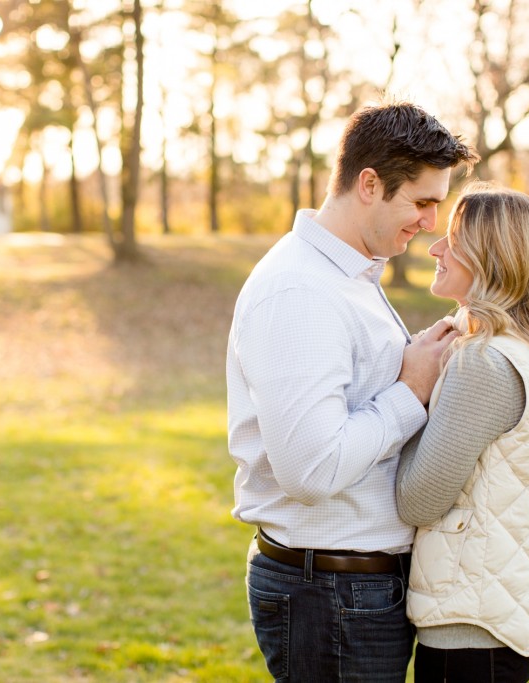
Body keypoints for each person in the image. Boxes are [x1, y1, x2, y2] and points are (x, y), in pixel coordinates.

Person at [226, 100, 478, 681]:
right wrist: (410, 390)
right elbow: (312, 468)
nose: (430, 223)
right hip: (331, 593)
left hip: (352, 589)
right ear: (369, 184)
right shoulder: (300, 290)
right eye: (421, 202)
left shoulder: (347, 275)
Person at [396, 183, 529, 683]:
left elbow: (418, 501)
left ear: (492, 259)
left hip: (471, 626)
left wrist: (409, 391)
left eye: (453, 239)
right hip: (505, 612)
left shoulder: (485, 362)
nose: (434, 248)